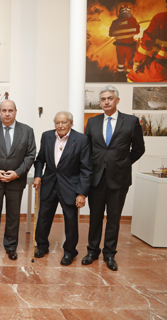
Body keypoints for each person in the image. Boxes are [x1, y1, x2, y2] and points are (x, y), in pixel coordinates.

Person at [82, 85, 145, 271]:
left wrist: (123, 164)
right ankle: (92, 251)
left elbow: (139, 149)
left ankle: (109, 254)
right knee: (95, 217)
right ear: (99, 102)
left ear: (117, 100)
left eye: (110, 98)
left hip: (119, 179)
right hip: (96, 178)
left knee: (114, 218)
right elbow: (87, 150)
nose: (106, 101)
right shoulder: (92, 122)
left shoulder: (131, 121)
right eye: (103, 99)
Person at [33, 112, 92, 266]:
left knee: (71, 222)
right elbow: (40, 160)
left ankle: (70, 252)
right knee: (43, 218)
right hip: (49, 184)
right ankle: (41, 246)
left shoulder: (81, 140)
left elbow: (86, 169)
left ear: (70, 123)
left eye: (64, 122)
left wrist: (82, 193)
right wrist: (38, 175)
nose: (60, 125)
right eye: (57, 122)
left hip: (70, 187)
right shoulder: (47, 136)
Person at [0, 100, 35, 260]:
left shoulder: (27, 131)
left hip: (16, 181)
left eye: (10, 110)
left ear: (15, 111)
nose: (7, 113)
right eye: (4, 110)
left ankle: (11, 246)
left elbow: (31, 154)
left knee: (13, 215)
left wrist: (17, 173)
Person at [128, 3, 167, 82]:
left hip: (161, 68)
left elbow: (147, 43)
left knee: (132, 76)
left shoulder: (160, 18)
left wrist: (137, 62)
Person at [108, 5, 140, 74]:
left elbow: (110, 34)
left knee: (120, 63)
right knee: (130, 62)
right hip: (130, 46)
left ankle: (120, 76)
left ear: (120, 12)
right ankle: (130, 76)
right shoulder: (132, 20)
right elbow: (137, 31)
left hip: (120, 47)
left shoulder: (115, 22)